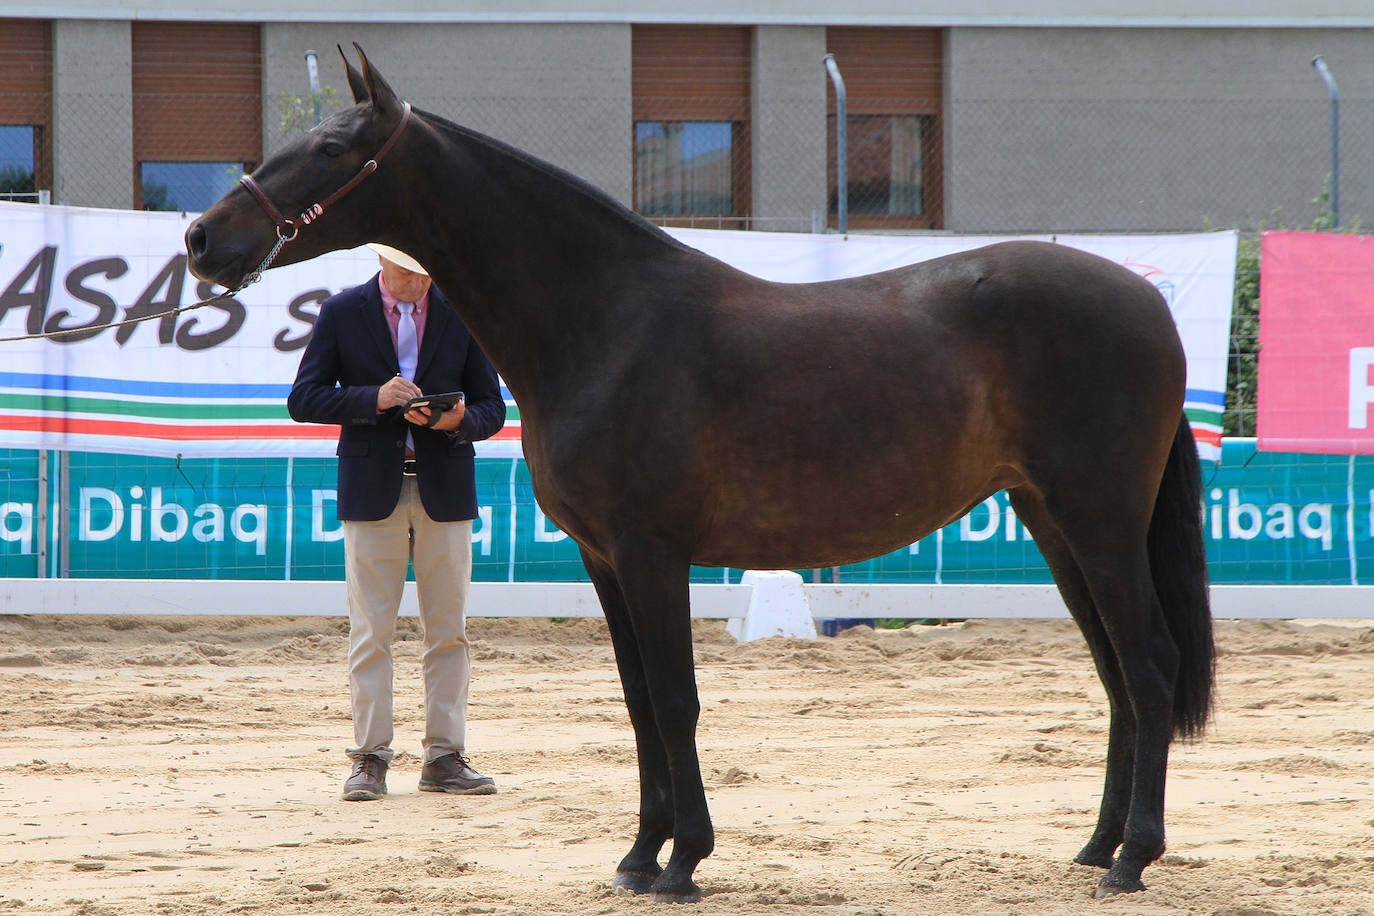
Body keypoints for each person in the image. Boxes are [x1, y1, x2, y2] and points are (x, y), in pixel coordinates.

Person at [287, 243, 506, 801]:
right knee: (370, 632)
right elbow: (303, 398)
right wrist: (373, 399)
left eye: (428, 272)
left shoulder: (461, 309)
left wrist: (460, 421)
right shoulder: (342, 312)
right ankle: (369, 758)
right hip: (371, 489)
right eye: (410, 272)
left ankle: (445, 756)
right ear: (383, 263)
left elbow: (493, 407)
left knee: (449, 631)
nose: (421, 282)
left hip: (445, 486)